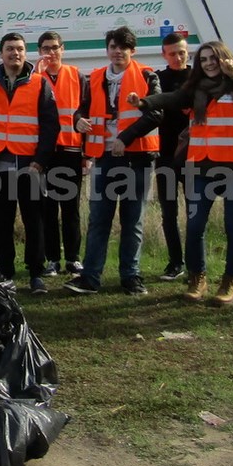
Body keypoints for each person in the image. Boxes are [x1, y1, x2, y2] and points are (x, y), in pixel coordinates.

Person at [129, 41, 233, 304]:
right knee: (195, 225)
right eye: (203, 60)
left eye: (213, 58)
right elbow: (173, 98)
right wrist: (144, 101)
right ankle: (197, 277)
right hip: (201, 166)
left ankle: (230, 281)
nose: (209, 63)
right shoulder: (195, 88)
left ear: (225, 58)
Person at [63, 26, 161, 296]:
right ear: (107, 50)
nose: (117, 51)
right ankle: (90, 278)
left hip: (138, 158)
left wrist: (126, 138)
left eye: (123, 47)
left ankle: (131, 276)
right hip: (104, 158)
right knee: (98, 220)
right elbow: (81, 109)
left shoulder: (147, 75)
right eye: (113, 47)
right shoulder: (94, 77)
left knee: (133, 220)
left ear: (132, 51)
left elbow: (156, 113)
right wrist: (77, 120)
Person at [0, 33, 60, 294]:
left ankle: (36, 274)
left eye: (19, 49)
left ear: (25, 53)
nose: (14, 53)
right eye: (9, 49)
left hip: (30, 165)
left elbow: (51, 126)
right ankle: (6, 273)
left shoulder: (40, 84)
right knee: (2, 223)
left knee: (34, 221)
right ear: (1, 54)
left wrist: (41, 161)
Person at [33, 32, 89, 278]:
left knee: (71, 208)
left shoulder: (77, 75)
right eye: (46, 48)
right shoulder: (34, 78)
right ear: (39, 51)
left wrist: (86, 153)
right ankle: (53, 259)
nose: (51, 52)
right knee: (47, 209)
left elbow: (86, 114)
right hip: (45, 152)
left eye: (55, 47)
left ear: (63, 49)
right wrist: (36, 73)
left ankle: (73, 259)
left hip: (71, 149)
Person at [153, 33, 191, 281]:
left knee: (195, 213)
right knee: (169, 213)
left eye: (182, 52)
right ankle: (175, 262)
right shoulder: (159, 79)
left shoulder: (198, 77)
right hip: (165, 155)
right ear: (164, 55)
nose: (178, 57)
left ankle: (196, 264)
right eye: (172, 53)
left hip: (194, 156)